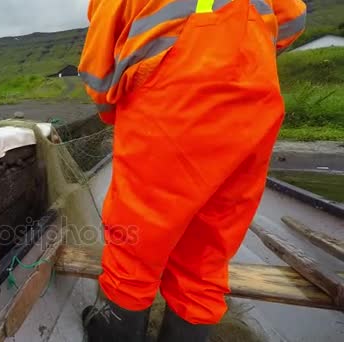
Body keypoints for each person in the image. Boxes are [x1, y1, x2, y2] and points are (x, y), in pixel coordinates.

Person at [78, 0, 306, 341]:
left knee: (136, 242)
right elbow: (293, 19)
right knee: (209, 250)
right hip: (254, 103)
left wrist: (115, 112)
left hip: (171, 106)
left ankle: (114, 331)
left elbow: (98, 77)